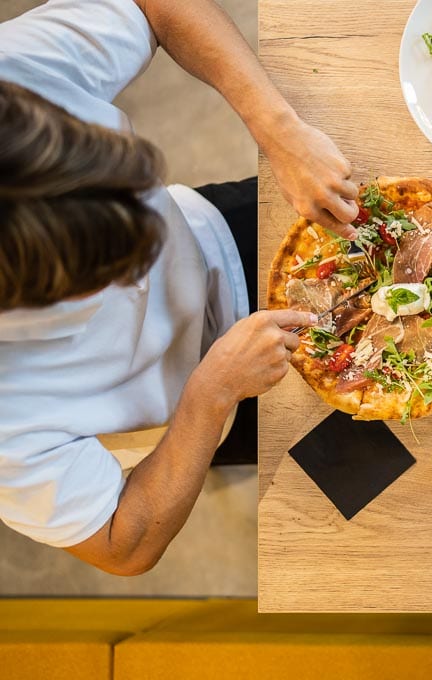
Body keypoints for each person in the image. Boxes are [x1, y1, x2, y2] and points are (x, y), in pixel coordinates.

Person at [0, 0, 360, 575]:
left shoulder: (11, 73)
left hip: (233, 228)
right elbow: (124, 545)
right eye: (115, 270)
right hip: (222, 407)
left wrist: (278, 128)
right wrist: (210, 396)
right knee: (395, 477)